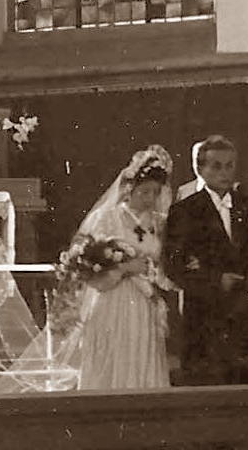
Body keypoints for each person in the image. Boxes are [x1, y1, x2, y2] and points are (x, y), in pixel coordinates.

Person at [165, 135, 248, 385]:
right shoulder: (185, 211)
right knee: (210, 386)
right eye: (216, 166)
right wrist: (216, 280)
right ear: (200, 169)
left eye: (229, 166)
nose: (224, 173)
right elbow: (174, 265)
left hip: (246, 313)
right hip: (207, 317)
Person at [72, 145, 174, 390]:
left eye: (155, 192)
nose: (150, 199)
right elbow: (88, 267)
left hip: (143, 305)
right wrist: (127, 267)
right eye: (144, 192)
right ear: (129, 189)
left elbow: (162, 264)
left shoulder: (159, 223)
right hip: (112, 300)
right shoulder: (107, 219)